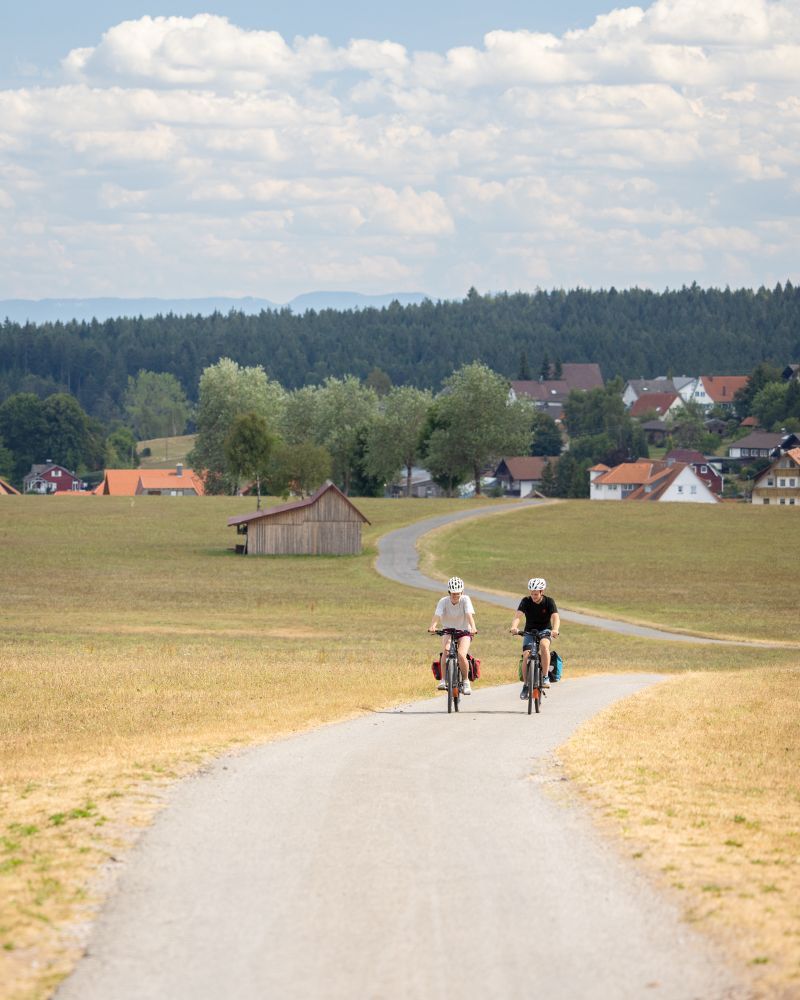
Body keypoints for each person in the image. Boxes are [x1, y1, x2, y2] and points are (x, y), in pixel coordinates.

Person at [510, 577, 560, 700]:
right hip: (529, 632)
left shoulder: (549, 602)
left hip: (545, 631)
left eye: (536, 594)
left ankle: (545, 677)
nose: (533, 596)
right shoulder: (526, 601)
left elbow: (555, 617)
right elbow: (518, 616)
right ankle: (526, 685)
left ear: (542, 592)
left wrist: (555, 629)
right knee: (526, 655)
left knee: (544, 646)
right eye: (532, 593)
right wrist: (514, 627)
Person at [428, 576, 476, 695]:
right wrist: (433, 626)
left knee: (461, 654)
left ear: (462, 592)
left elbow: (469, 615)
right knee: (446, 650)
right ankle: (443, 680)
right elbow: (437, 615)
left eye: (458, 594)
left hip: (464, 630)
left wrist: (473, 627)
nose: (456, 596)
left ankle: (465, 682)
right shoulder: (443, 601)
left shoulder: (465, 600)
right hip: (448, 630)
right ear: (449, 592)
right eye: (453, 594)